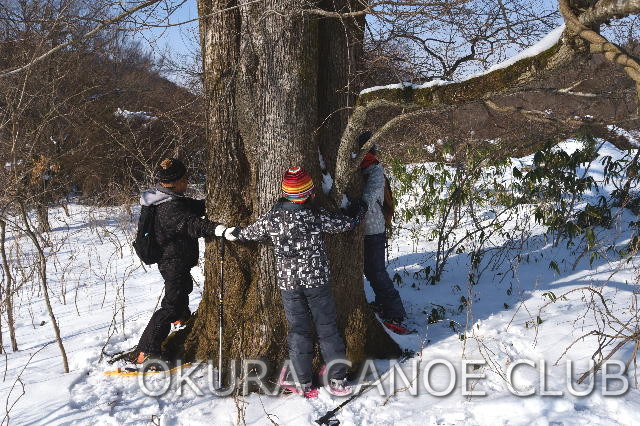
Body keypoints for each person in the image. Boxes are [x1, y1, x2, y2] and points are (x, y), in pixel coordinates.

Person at [223, 166, 367, 397]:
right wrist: (359, 212)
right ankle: (337, 378)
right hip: (316, 281)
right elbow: (345, 224)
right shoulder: (316, 214)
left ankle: (302, 382)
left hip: (289, 283)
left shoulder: (274, 217)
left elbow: (251, 232)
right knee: (327, 328)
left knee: (299, 330)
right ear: (309, 193)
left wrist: (234, 232)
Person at [134, 158, 227, 365]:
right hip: (172, 261)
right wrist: (217, 229)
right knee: (171, 305)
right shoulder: (169, 207)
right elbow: (191, 225)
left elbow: (193, 208)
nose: (187, 182)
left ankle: (181, 321)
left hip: (177, 260)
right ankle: (146, 351)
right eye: (185, 179)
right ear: (175, 182)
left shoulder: (169, 198)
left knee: (183, 290)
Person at [358, 131, 409, 334]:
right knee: (371, 271)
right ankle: (384, 305)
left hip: (374, 229)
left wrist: (358, 207)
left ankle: (396, 314)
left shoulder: (374, 168)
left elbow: (370, 195)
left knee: (376, 272)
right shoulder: (364, 167)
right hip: (366, 228)